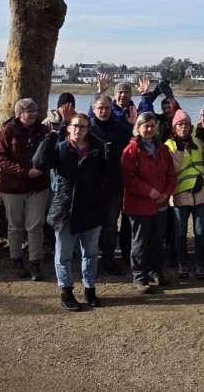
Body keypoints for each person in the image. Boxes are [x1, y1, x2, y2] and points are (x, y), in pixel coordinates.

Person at [35, 113, 108, 311]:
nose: (79, 130)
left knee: (91, 253)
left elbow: (107, 174)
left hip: (91, 209)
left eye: (83, 127)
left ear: (88, 129)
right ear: (68, 127)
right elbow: (40, 163)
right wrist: (51, 136)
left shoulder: (97, 149)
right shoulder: (60, 148)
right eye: (75, 126)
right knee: (63, 254)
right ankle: (66, 290)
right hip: (65, 209)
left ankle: (89, 288)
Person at [0, 98, 51, 281]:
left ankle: (35, 262)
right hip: (13, 188)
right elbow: (2, 158)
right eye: (29, 111)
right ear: (19, 114)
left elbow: (50, 153)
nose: (34, 114)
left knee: (36, 226)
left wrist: (41, 169)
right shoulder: (7, 131)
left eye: (35, 110)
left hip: (38, 187)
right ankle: (16, 261)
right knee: (15, 226)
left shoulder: (44, 131)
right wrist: (25, 172)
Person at [122, 112, 177, 293]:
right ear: (138, 128)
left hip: (160, 203)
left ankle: (156, 271)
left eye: (153, 126)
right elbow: (128, 178)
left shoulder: (163, 149)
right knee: (140, 242)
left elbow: (170, 174)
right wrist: (149, 191)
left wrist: (166, 193)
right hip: (139, 205)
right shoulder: (130, 150)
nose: (150, 129)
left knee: (157, 241)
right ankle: (140, 276)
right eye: (146, 126)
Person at [88, 93, 131, 276]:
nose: (104, 111)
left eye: (107, 108)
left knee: (111, 225)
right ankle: (90, 259)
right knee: (91, 225)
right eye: (100, 108)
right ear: (94, 109)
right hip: (90, 186)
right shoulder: (87, 128)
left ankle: (108, 259)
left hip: (114, 185)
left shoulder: (121, 129)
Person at [167, 109, 204, 280]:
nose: (184, 127)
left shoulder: (197, 142)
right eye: (180, 124)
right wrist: (179, 149)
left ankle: (201, 263)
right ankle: (182, 263)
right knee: (180, 232)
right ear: (175, 127)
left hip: (200, 193)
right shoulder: (169, 145)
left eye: (186, 124)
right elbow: (174, 167)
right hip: (180, 193)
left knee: (200, 231)